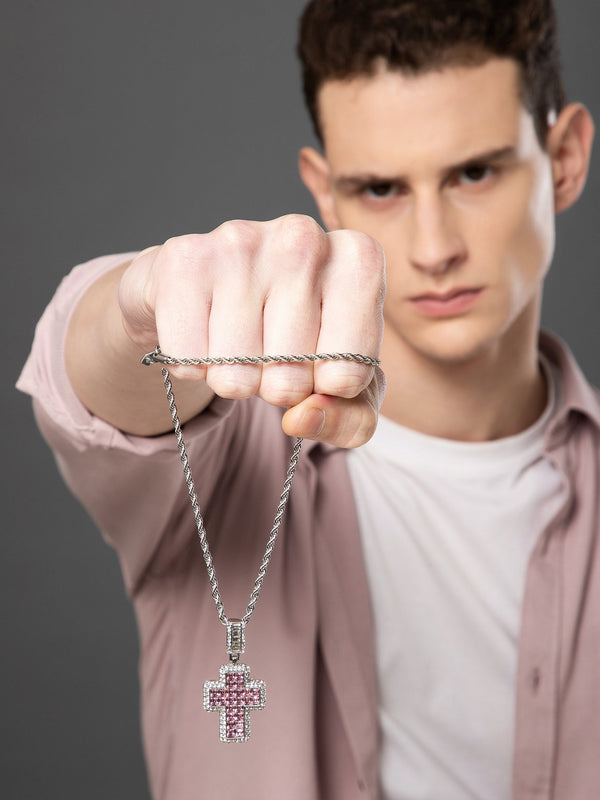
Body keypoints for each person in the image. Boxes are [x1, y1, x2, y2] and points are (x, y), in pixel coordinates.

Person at [17, 0, 599, 798]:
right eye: (381, 188)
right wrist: (140, 299)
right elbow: (83, 383)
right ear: (325, 192)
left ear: (565, 159)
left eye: (474, 173)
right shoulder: (223, 452)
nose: (434, 248)